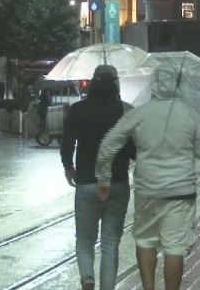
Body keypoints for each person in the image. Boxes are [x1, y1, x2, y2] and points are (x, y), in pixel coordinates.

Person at [95, 65, 200, 290]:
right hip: (181, 193)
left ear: (153, 83)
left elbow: (107, 146)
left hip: (148, 191)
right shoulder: (190, 113)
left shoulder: (139, 113)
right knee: (175, 247)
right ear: (178, 85)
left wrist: (104, 179)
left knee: (145, 240)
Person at [60, 65, 135, 290]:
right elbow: (134, 150)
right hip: (118, 182)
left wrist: (68, 166)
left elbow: (68, 142)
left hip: (86, 181)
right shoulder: (126, 110)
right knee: (110, 244)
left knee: (85, 241)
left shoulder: (78, 109)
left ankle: (87, 278)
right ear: (115, 84)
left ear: (93, 83)